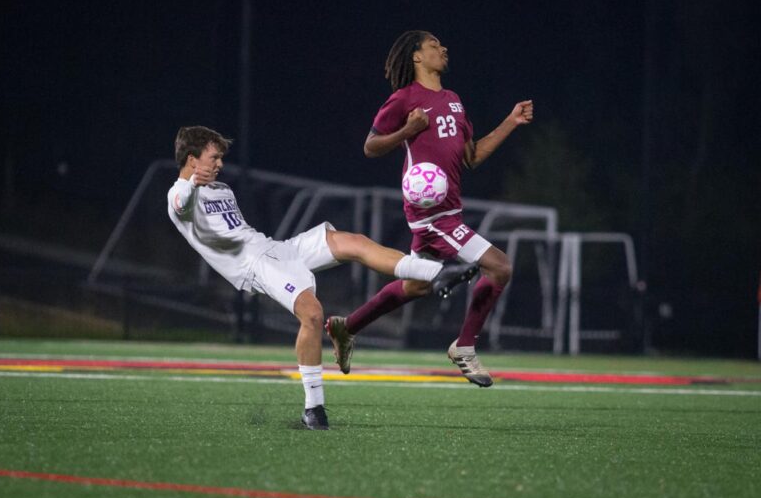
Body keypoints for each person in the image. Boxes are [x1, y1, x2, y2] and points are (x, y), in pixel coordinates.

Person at [167, 126, 477, 430]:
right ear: (193, 159)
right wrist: (192, 184)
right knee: (313, 314)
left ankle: (436, 273)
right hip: (255, 266)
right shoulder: (180, 194)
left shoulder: (221, 189)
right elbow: (182, 203)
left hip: (275, 250)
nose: (220, 163)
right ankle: (313, 408)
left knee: (351, 242)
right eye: (214, 157)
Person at [325, 30, 534, 388]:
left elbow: (473, 157)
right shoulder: (404, 99)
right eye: (434, 45)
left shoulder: (453, 100)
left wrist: (510, 122)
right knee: (499, 266)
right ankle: (464, 346)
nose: (444, 48)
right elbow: (370, 146)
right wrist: (408, 129)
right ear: (417, 57)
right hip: (431, 215)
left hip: (450, 211)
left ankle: (347, 327)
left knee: (416, 286)